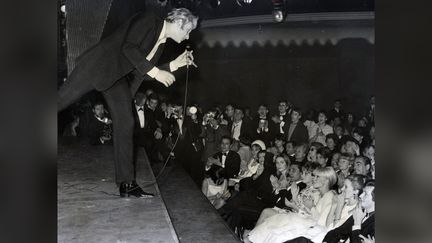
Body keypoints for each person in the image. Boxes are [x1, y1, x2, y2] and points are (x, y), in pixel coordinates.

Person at [57, 8, 199, 198]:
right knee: (58, 103)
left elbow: (141, 72)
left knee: (126, 122)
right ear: (180, 23)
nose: (188, 36)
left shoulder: (161, 44)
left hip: (116, 79)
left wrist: (174, 65)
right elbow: (129, 48)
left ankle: (127, 183)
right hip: (97, 67)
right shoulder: (150, 20)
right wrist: (157, 73)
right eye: (188, 30)